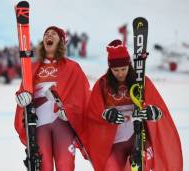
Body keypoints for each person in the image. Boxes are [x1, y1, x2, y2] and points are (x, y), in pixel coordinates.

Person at [84, 39, 183, 170]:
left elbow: (160, 111)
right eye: (116, 70)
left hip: (138, 139)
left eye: (123, 69)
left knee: (135, 167)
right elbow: (92, 113)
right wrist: (106, 114)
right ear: (110, 68)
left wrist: (151, 112)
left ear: (129, 65)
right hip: (114, 143)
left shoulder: (141, 82)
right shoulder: (102, 85)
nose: (120, 73)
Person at [14, 26, 91, 171]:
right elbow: (23, 92)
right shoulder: (32, 66)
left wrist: (70, 111)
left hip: (63, 125)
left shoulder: (72, 67)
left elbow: (83, 98)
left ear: (61, 41)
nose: (49, 36)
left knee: (65, 166)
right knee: (44, 167)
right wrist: (21, 98)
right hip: (39, 126)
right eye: (46, 34)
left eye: (53, 34)